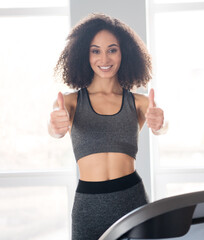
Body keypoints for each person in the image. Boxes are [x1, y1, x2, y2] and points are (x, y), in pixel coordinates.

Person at [48, 13, 166, 240]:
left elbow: (161, 126)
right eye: (96, 51)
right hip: (88, 206)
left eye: (112, 49)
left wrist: (161, 123)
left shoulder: (140, 102)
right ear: (85, 54)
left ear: (124, 53)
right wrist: (55, 127)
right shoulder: (70, 102)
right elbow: (54, 127)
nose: (104, 58)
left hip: (132, 201)